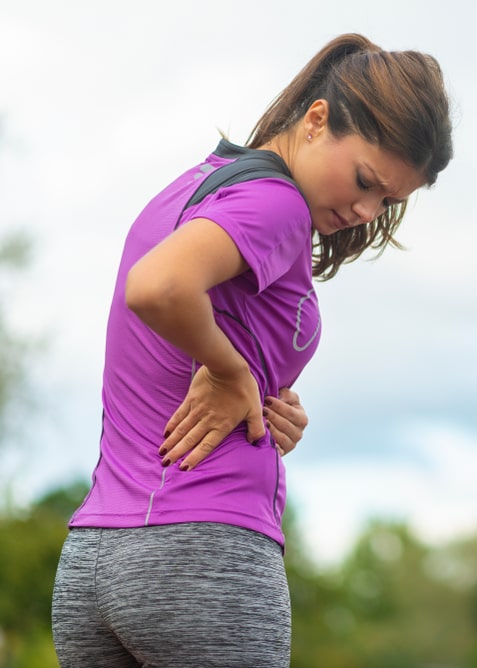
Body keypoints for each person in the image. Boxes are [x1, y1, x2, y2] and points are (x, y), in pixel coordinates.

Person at [51, 33, 453, 667]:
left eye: (387, 201)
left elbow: (174, 347)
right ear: (316, 120)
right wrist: (231, 371)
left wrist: (258, 397)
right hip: (200, 555)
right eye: (365, 180)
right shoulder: (277, 203)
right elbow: (158, 288)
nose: (365, 209)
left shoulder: (196, 186)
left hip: (94, 559)